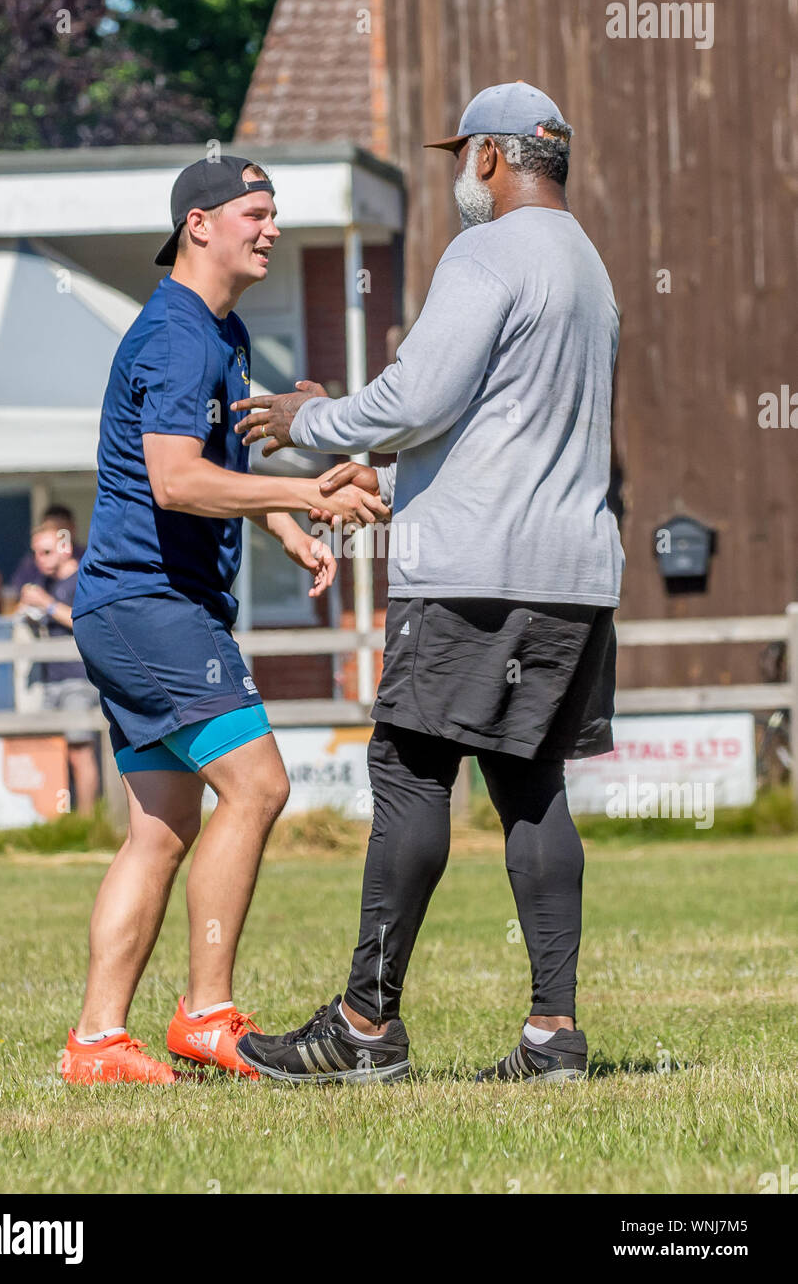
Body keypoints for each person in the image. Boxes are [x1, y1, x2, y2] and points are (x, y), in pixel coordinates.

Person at [230, 82, 624, 1085]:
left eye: (460, 155)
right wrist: (392, 474)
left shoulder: (484, 252)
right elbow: (499, 428)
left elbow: (419, 396)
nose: (457, 173)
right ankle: (553, 1035)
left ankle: (365, 1027)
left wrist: (312, 421)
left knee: (410, 772)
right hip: (574, 574)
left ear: (491, 156)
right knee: (532, 786)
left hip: (473, 576)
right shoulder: (589, 267)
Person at [60, 154, 388, 1086]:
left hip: (135, 607)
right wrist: (309, 493)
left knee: (161, 828)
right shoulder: (178, 337)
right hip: (151, 606)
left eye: (274, 213)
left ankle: (96, 1041)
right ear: (198, 226)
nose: (272, 228)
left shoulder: (223, 331)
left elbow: (222, 459)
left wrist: (284, 527)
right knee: (258, 786)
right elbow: (176, 480)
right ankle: (206, 1015)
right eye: (256, 212)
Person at [18, 523, 100, 814]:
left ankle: (88, 821)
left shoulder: (83, 579)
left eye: (46, 551)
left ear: (65, 548)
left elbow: (86, 623)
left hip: (79, 679)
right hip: (51, 680)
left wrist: (47, 604)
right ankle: (59, 820)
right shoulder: (46, 582)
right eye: (35, 553)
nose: (39, 559)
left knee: (80, 751)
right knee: (51, 754)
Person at [11, 505, 84, 596]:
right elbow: (16, 590)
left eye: (47, 552)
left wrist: (46, 602)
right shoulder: (35, 570)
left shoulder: (86, 571)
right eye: (47, 528)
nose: (39, 559)